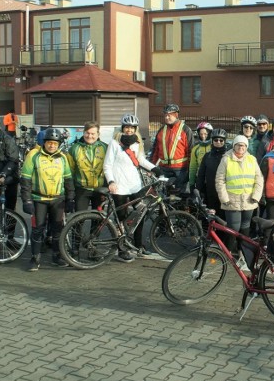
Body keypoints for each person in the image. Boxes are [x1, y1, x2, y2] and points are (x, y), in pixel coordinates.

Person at [104, 114, 163, 262]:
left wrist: (155, 169)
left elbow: (141, 160)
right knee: (121, 219)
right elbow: (107, 165)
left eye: (132, 127)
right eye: (127, 127)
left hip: (135, 186)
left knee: (139, 215)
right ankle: (121, 248)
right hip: (119, 186)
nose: (129, 130)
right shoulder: (114, 143)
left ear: (135, 129)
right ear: (122, 128)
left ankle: (138, 245)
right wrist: (111, 181)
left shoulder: (137, 144)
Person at [20, 127, 75, 271]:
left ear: (59, 144)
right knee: (37, 229)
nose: (52, 145)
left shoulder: (63, 157)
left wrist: (70, 199)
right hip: (39, 199)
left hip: (58, 199)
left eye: (55, 143)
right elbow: (25, 180)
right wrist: (26, 200)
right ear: (44, 143)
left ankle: (57, 256)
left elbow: (68, 179)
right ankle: (35, 258)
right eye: (49, 142)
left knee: (58, 230)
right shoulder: (33, 155)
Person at [215, 135, 264, 252]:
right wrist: (224, 199)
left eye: (243, 145)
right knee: (233, 228)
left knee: (245, 226)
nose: (241, 147)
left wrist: (256, 196)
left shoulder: (252, 159)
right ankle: (229, 251)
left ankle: (243, 251)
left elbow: (259, 179)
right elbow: (219, 180)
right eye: (238, 145)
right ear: (234, 146)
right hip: (232, 201)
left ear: (246, 147)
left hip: (249, 200)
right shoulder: (226, 159)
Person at [150, 103, 194, 192]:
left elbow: (191, 151)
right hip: (164, 169)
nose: (166, 117)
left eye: (169, 115)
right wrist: (151, 167)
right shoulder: (161, 130)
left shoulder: (186, 130)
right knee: (164, 195)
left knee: (179, 197)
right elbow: (155, 151)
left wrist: (189, 171)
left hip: (180, 170)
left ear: (176, 115)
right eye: (165, 115)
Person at [67, 121, 107, 212]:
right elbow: (69, 172)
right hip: (81, 189)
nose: (89, 136)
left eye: (93, 133)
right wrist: (70, 191)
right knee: (78, 220)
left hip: (99, 190)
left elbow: (109, 169)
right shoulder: (74, 149)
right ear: (83, 133)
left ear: (98, 134)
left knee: (98, 221)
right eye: (87, 133)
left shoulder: (105, 148)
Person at [197, 128, 229, 219]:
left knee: (223, 218)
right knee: (211, 217)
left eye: (221, 140)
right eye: (215, 140)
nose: (218, 142)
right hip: (210, 192)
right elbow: (201, 175)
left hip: (225, 192)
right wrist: (198, 190)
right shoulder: (207, 156)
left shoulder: (228, 156)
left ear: (225, 141)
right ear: (212, 141)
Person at [188, 122, 213, 189]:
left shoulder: (214, 146)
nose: (203, 136)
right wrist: (191, 183)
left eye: (205, 134)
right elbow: (193, 167)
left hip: (213, 179)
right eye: (201, 134)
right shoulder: (195, 149)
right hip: (200, 179)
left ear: (210, 134)